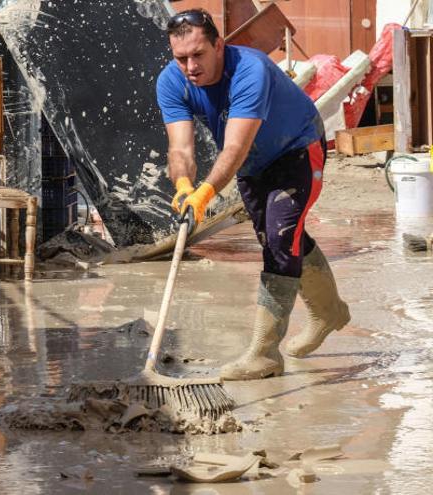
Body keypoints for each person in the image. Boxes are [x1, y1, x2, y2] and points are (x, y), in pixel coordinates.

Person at [155, 9, 351, 380]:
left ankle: (264, 354)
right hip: (253, 164)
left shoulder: (249, 69)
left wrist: (207, 192)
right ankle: (329, 312)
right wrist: (184, 186)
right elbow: (180, 149)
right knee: (278, 237)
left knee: (280, 238)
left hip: (296, 148)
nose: (191, 66)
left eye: (199, 54)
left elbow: (234, 148)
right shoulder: (171, 81)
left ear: (219, 45)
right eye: (181, 58)